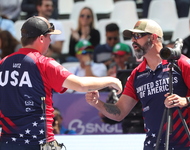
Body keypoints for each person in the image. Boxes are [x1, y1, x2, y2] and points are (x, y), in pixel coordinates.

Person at [0, 16, 122, 150]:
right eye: (49, 36)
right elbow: (80, 84)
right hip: (40, 144)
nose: (50, 40)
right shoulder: (44, 63)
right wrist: (112, 80)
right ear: (41, 38)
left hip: (6, 143)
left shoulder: (3, 63)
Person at [85, 18, 190, 150]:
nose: (133, 40)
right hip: (153, 146)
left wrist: (185, 101)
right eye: (132, 37)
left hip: (186, 145)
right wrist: (96, 103)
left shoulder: (180, 63)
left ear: (154, 37)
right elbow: (120, 111)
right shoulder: (136, 75)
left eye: (138, 36)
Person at [99, 42, 144, 134]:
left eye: (121, 56)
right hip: (127, 122)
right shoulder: (114, 74)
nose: (118, 59)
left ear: (129, 55)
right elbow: (112, 111)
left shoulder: (141, 70)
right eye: (115, 56)